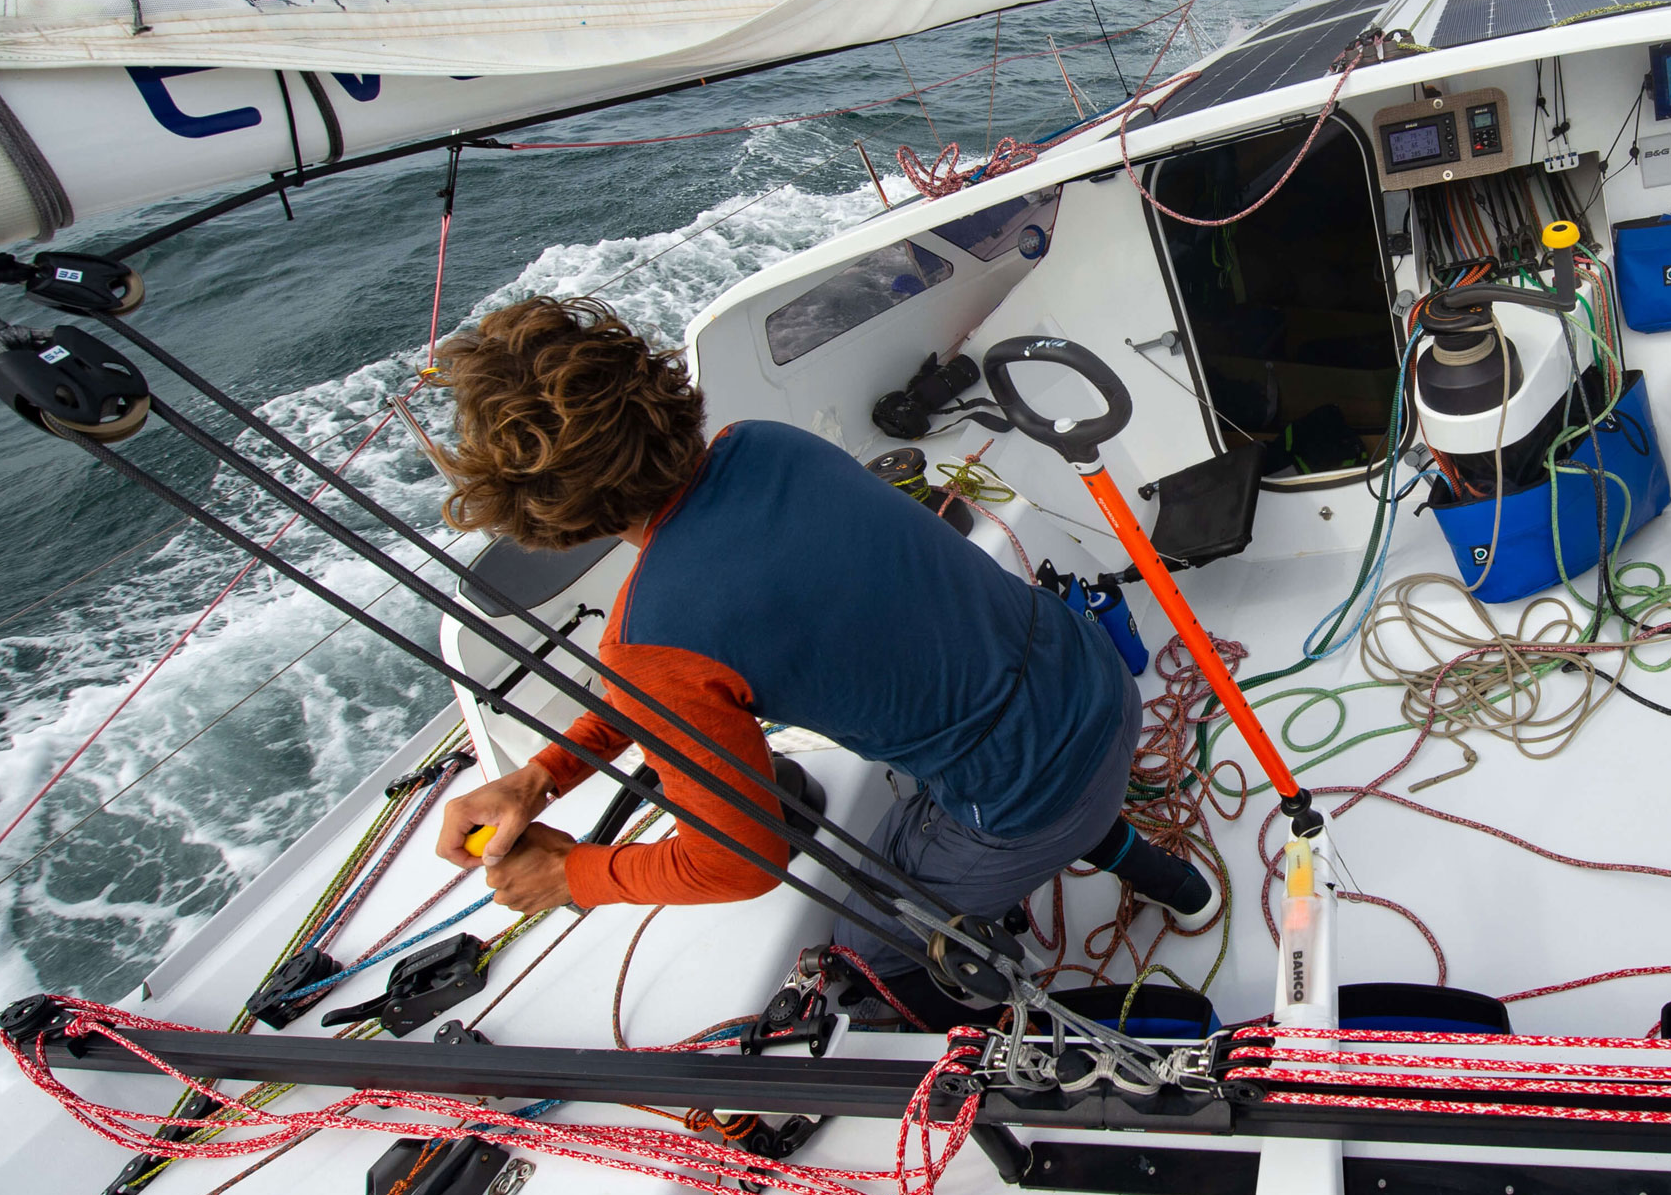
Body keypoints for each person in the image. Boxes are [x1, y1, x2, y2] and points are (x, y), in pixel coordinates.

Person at [429, 296, 1210, 980]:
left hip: (1032, 795)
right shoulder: (763, 444)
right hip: (1096, 685)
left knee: (869, 952)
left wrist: (573, 876)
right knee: (989, 774)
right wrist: (540, 777)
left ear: (542, 519)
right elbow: (672, 682)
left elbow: (738, 864)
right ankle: (1171, 881)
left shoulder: (652, 640)